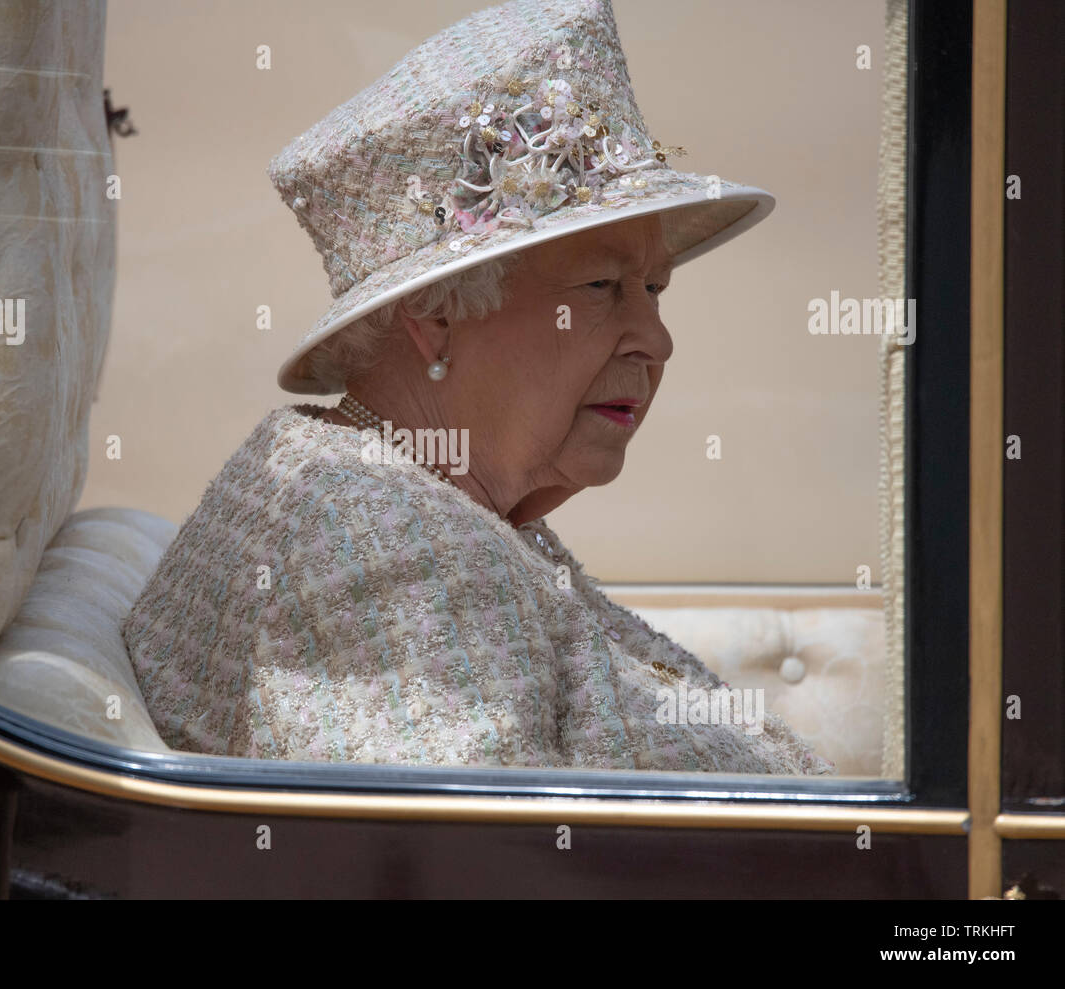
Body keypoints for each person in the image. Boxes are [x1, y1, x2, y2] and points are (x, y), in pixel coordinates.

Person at [123, 0, 833, 774]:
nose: (656, 340)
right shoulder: (390, 548)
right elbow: (469, 868)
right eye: (600, 285)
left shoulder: (419, 493)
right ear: (434, 316)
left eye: (654, 288)